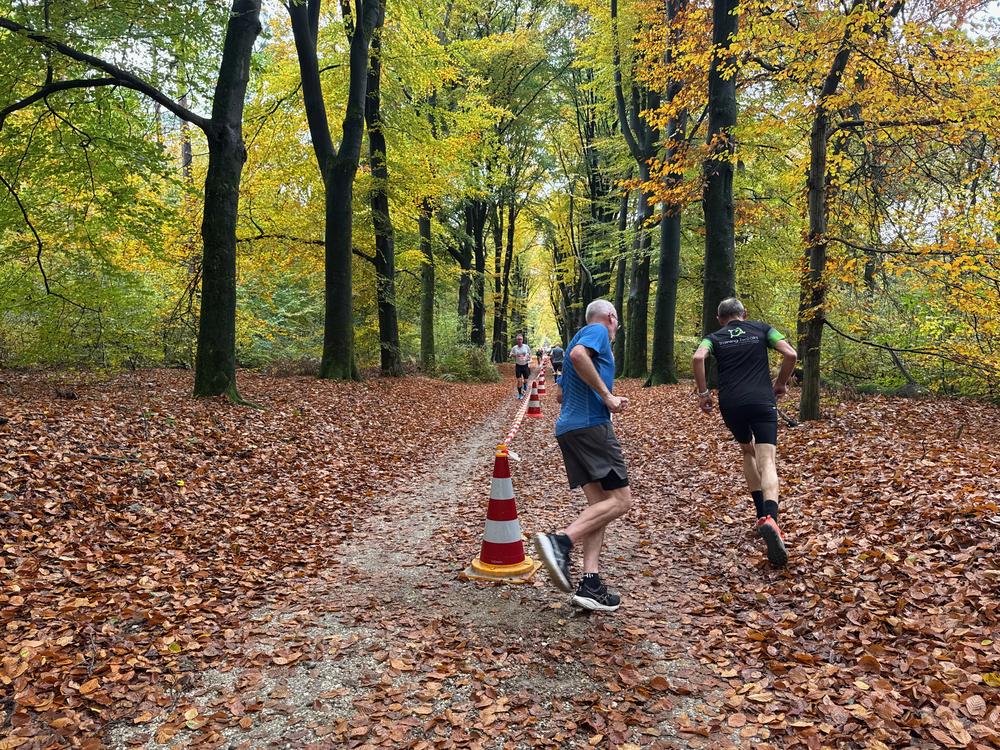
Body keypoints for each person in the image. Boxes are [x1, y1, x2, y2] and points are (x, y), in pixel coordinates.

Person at [533, 300, 631, 612]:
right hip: (592, 428)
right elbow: (577, 357)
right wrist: (607, 396)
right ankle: (560, 542)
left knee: (600, 506)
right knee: (620, 501)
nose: (615, 331)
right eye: (616, 323)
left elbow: (560, 394)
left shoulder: (578, 337)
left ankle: (591, 583)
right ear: (611, 318)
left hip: (569, 429)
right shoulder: (597, 332)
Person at [692, 297, 797, 567]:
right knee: (768, 460)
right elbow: (790, 354)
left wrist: (704, 393)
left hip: (732, 403)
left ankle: (760, 514)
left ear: (720, 318)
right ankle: (772, 518)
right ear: (743, 314)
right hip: (762, 400)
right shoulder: (762, 329)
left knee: (746, 450)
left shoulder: (713, 337)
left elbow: (698, 357)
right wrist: (781, 383)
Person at [509, 334, 532, 399]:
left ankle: (525, 386)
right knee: (519, 381)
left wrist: (528, 358)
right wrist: (515, 355)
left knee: (525, 380)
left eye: (521, 339)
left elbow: (530, 354)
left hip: (525, 365)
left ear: (522, 340)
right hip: (518, 366)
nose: (519, 340)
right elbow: (510, 355)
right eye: (518, 339)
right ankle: (519, 394)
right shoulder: (514, 348)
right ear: (517, 340)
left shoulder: (526, 347)